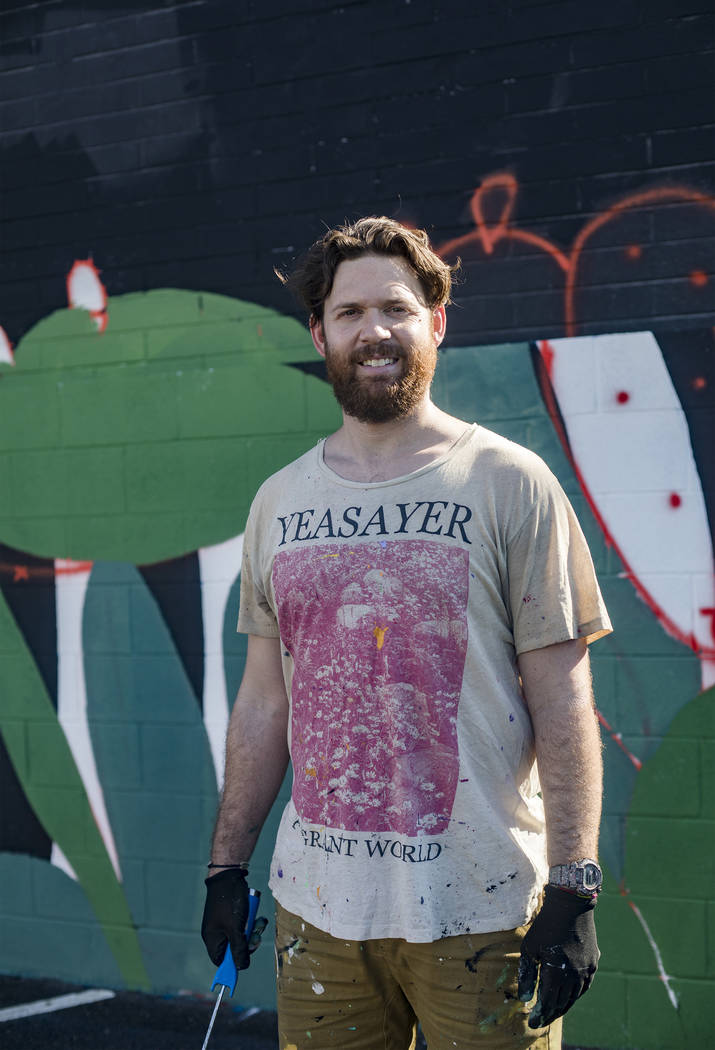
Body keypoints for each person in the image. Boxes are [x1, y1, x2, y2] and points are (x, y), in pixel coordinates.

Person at [201, 217, 611, 1050]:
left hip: (483, 907)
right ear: (319, 333)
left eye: (395, 307)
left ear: (436, 321)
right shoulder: (278, 502)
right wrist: (225, 865)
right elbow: (262, 700)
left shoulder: (509, 483)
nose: (374, 331)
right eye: (349, 314)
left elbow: (563, 695)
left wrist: (574, 885)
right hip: (315, 912)